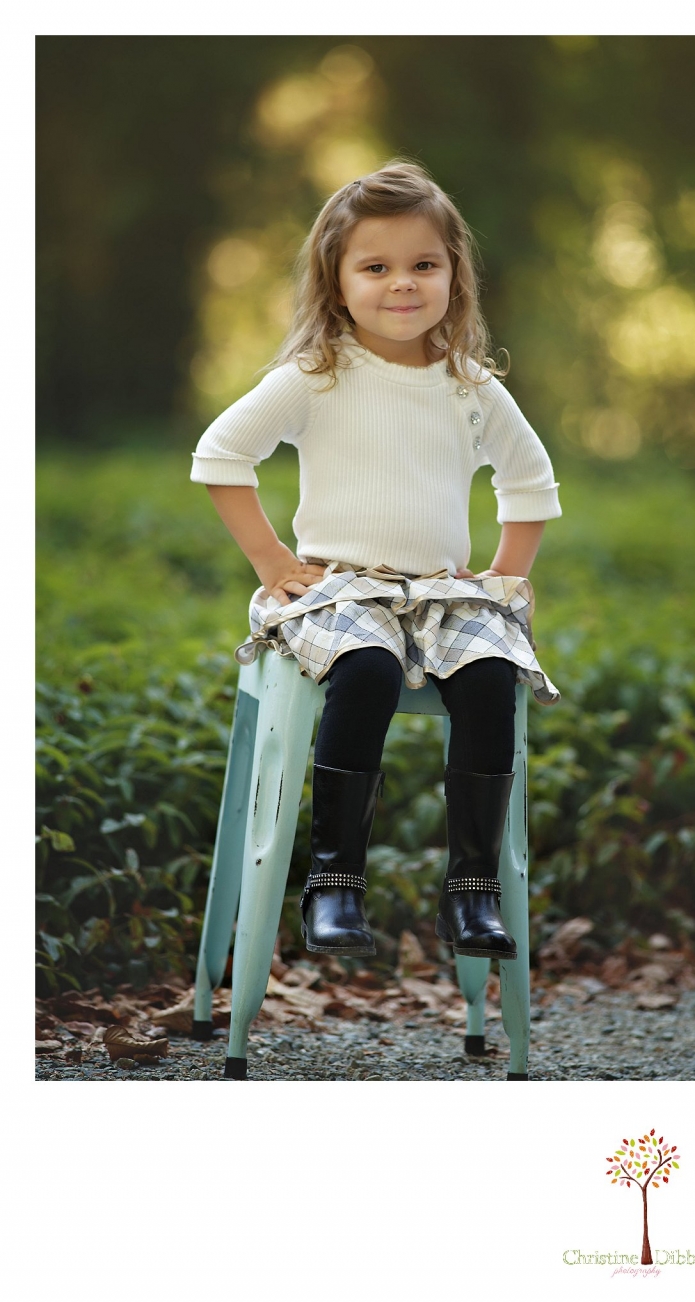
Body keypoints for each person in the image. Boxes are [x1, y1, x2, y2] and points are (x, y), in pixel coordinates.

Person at [191, 160, 561, 963]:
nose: (403, 284)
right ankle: (335, 883)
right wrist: (271, 559)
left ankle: (472, 890)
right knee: (366, 672)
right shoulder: (317, 376)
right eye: (376, 267)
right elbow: (222, 455)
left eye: (424, 264)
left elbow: (530, 482)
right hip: (339, 588)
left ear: (455, 275)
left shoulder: (470, 386)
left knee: (491, 678)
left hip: (440, 594)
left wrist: (503, 575)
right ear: (337, 280)